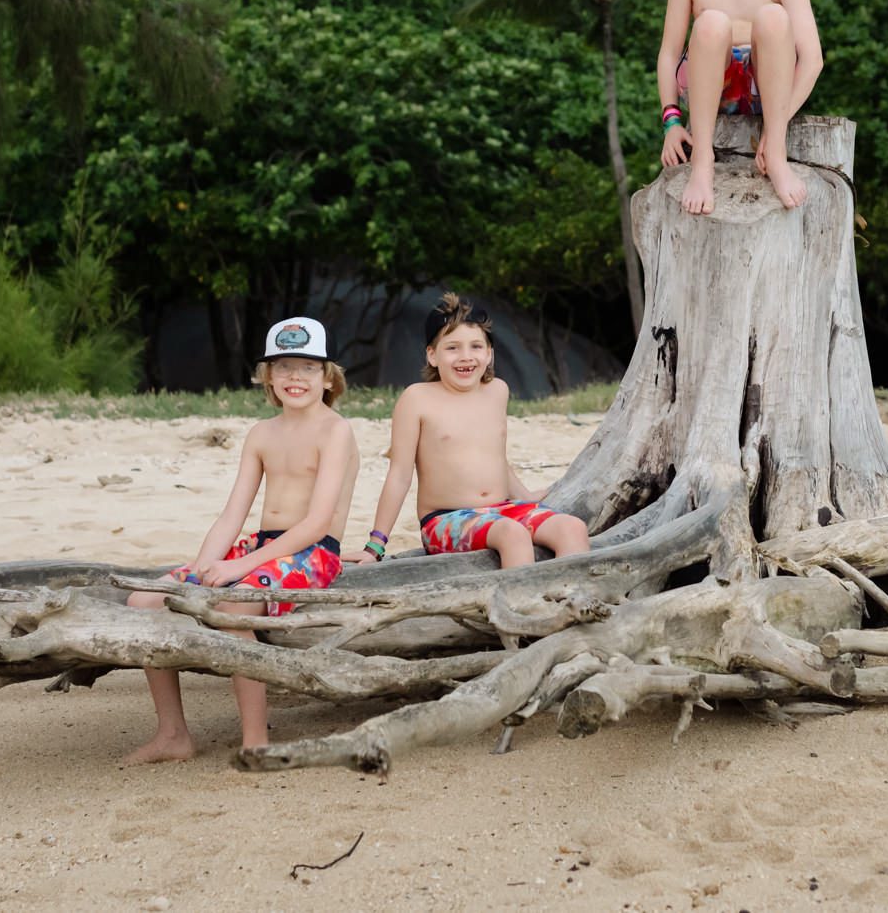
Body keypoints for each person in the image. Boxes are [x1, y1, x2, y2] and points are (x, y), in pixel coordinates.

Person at [121, 316, 357, 763]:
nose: (294, 377)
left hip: (313, 552)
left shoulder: (335, 430)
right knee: (145, 601)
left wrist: (237, 569)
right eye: (283, 366)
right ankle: (173, 734)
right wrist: (200, 570)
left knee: (232, 606)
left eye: (307, 367)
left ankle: (255, 740)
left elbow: (317, 520)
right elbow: (234, 512)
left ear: (327, 376)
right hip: (262, 545)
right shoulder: (261, 434)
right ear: (266, 375)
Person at [348, 294, 589, 569]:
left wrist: (524, 495)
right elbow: (399, 475)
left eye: (476, 346)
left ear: (489, 354)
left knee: (573, 528)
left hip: (503, 509)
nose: (466, 357)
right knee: (513, 535)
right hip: (445, 520)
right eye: (452, 348)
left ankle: (572, 598)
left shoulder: (497, 391)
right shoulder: (416, 399)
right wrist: (376, 544)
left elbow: (495, 455)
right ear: (432, 355)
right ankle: (520, 606)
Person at [655, 0, 825, 215]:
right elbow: (670, 53)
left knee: (773, 16)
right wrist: (671, 122)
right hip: (708, 86)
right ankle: (703, 163)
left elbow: (811, 60)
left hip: (766, 90)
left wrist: (775, 129)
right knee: (713, 22)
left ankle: (776, 156)